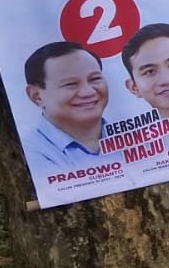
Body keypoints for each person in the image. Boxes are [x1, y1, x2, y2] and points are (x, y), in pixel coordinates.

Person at [22, 41, 110, 171]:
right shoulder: (30, 153)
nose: (88, 92)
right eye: (70, 84)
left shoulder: (132, 136)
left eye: (95, 79)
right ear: (36, 96)